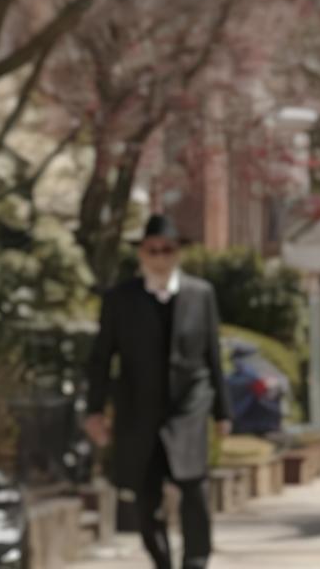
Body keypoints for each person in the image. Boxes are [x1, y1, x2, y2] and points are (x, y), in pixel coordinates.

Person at [83, 214, 230, 569]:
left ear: (177, 252)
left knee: (194, 488)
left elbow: (212, 354)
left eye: (167, 250)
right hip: (138, 408)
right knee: (145, 495)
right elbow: (102, 357)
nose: (161, 257)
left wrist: (222, 412)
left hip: (189, 406)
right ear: (142, 254)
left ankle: (196, 559)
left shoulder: (201, 294)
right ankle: (161, 561)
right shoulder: (121, 298)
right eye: (153, 250)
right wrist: (94, 410)